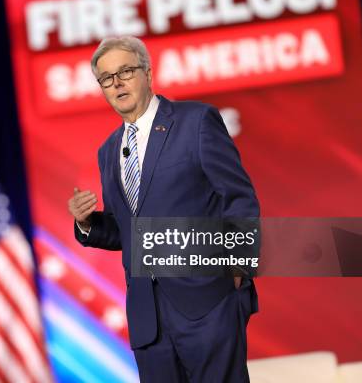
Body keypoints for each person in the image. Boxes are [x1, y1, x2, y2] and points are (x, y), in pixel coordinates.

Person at [68, 36, 260, 382]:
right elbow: (124, 230)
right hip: (148, 319)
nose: (117, 83)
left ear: (148, 74)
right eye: (107, 78)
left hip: (207, 302)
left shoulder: (196, 121)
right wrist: (86, 223)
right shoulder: (108, 151)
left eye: (125, 71)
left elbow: (239, 197)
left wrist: (238, 271)